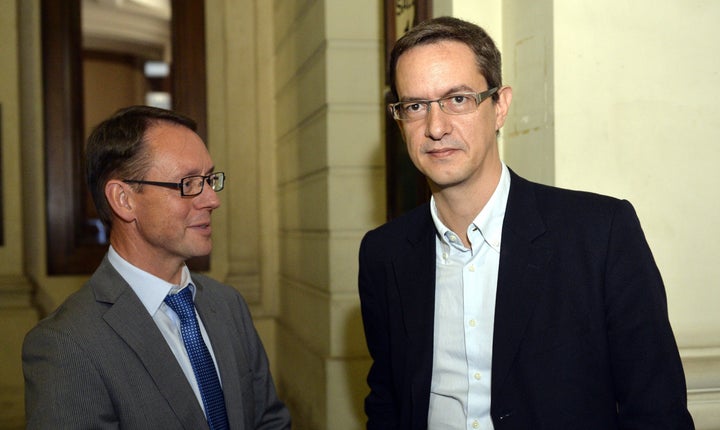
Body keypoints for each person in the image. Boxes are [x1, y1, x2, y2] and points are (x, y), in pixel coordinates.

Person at [358, 16, 694, 429]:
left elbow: (657, 412)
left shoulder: (599, 234)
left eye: (458, 99)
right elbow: (388, 402)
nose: (436, 126)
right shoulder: (383, 253)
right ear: (400, 119)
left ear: (500, 106)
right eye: (415, 106)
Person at [23, 105, 291, 429]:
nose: (211, 199)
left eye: (209, 179)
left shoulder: (228, 304)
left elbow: (269, 421)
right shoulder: (67, 344)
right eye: (188, 183)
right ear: (124, 199)